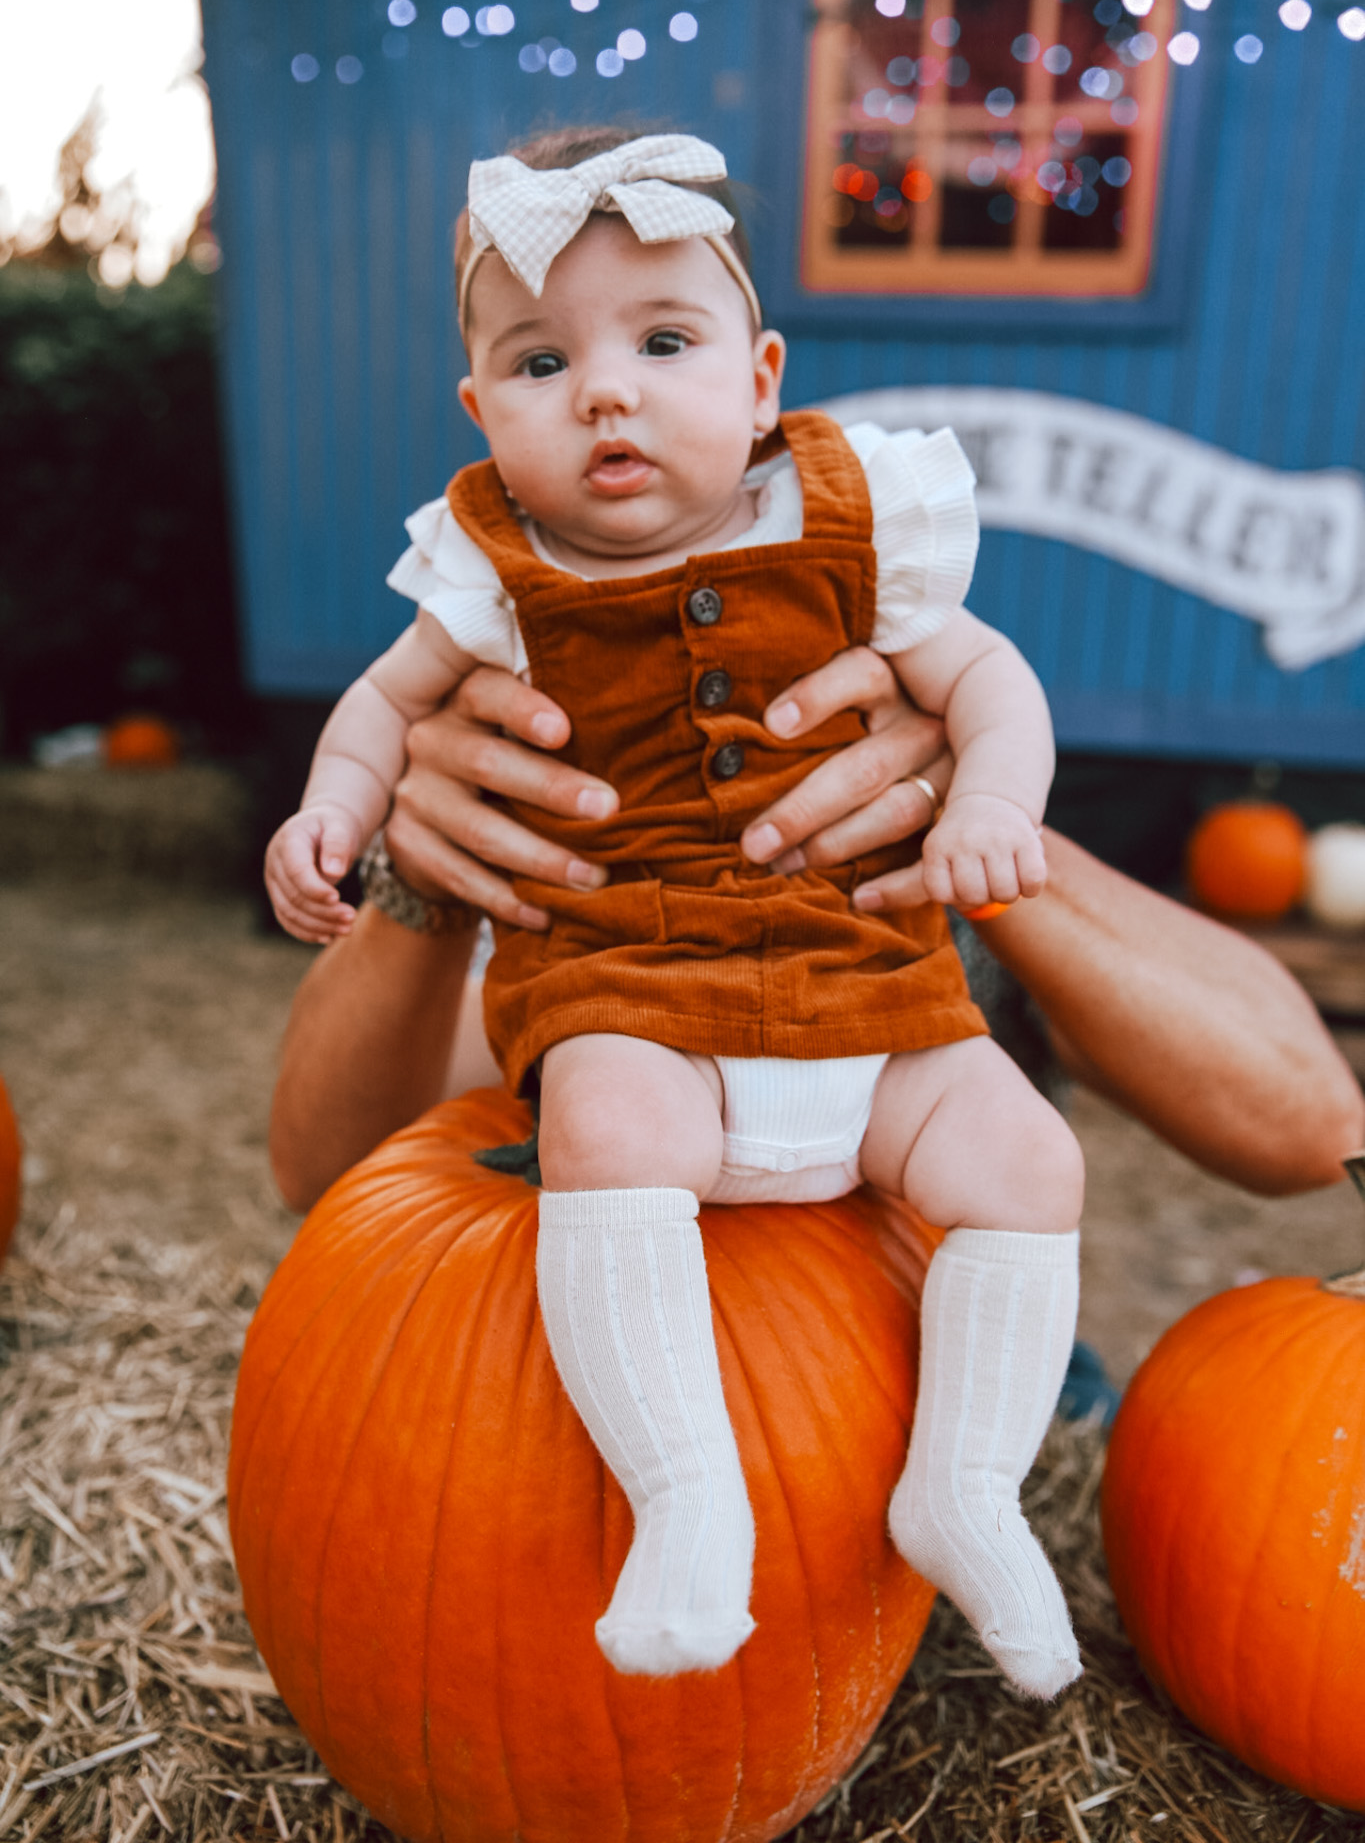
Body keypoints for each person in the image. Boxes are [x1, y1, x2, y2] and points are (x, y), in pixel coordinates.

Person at [263, 127, 1364, 1699]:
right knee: (609, 1120)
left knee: (1025, 1157)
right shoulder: (495, 629)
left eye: (662, 342)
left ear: (761, 377)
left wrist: (979, 807)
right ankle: (684, 1497)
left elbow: (1302, 1126)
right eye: (539, 361)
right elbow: (331, 1172)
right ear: (480, 413)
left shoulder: (864, 536)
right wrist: (371, 838)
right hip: (650, 1037)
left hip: (878, 1069)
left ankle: (968, 1483)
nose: (605, 393)